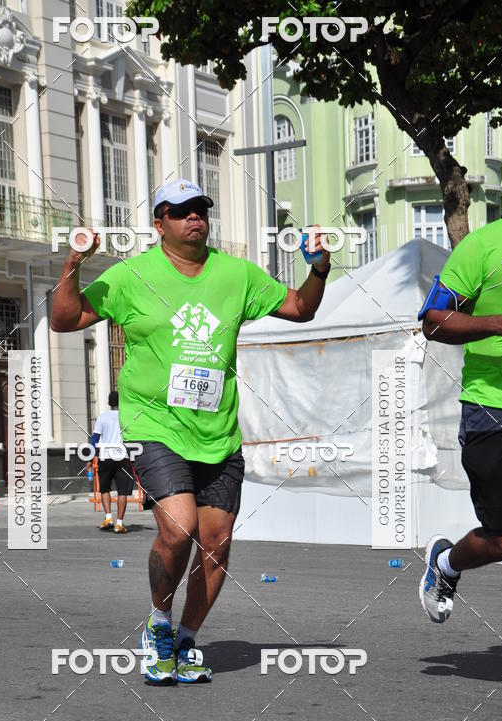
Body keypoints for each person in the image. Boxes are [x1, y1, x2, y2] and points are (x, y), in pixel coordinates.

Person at [51, 178, 331, 683]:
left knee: (216, 541)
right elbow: (63, 319)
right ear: (159, 223)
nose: (194, 218)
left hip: (218, 433)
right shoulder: (131, 276)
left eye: (200, 208)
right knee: (178, 528)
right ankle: (158, 621)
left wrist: (319, 268)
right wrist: (74, 265)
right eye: (180, 211)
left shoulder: (236, 275)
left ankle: (185, 640)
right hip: (155, 424)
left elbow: (300, 308)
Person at [418, 215, 502, 623]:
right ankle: (447, 564)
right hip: (492, 408)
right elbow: (434, 322)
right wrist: (498, 325)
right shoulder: (483, 246)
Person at [90, 390, 133, 534]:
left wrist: (90, 458)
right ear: (121, 402)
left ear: (109, 403)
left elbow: (94, 439)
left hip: (105, 456)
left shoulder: (102, 417)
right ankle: (119, 524)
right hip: (122, 457)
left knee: (104, 488)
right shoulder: (127, 417)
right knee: (122, 492)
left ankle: (108, 517)